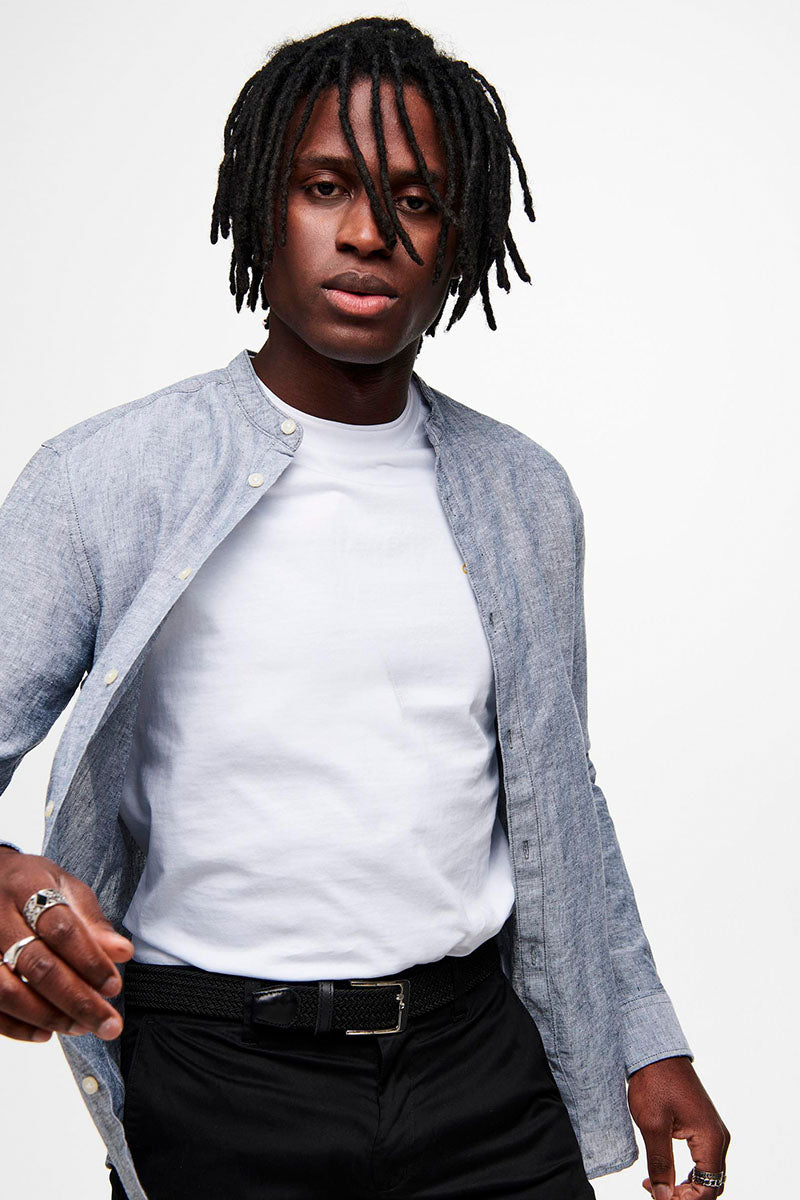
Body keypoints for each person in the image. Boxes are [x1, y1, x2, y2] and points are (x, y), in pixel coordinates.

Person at [0, 15, 730, 1200]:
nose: (366, 234)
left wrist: (644, 1035)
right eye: (325, 186)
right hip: (217, 1074)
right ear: (260, 209)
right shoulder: (105, 481)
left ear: (460, 237)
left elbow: (561, 793)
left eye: (415, 201)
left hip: (477, 1065)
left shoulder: (522, 493)